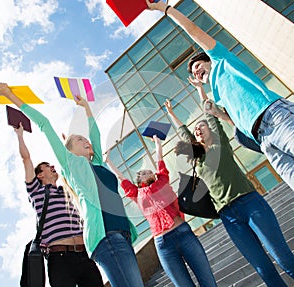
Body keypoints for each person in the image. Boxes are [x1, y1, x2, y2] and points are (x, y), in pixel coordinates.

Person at [0, 83, 144, 287]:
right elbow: (44, 124)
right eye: (80, 139)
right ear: (70, 151)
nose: (87, 141)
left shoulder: (98, 163)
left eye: (86, 139)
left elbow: (96, 136)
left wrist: (86, 108)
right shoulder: (72, 165)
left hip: (122, 233)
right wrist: (10, 95)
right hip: (106, 237)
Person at [146, 0, 294, 191]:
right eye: (193, 73)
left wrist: (163, 9)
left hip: (274, 117)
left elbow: (192, 29)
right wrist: (218, 114)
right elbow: (236, 122)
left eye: (198, 66)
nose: (196, 72)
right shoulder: (217, 93)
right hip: (263, 140)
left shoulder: (222, 60)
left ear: (208, 60)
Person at [164, 83, 294, 286]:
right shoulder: (197, 158)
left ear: (211, 130)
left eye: (202, 126)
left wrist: (200, 91)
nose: (198, 129)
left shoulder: (219, 144)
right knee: (262, 268)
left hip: (249, 202)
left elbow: (209, 116)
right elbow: (184, 134)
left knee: (282, 256)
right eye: (196, 129)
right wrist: (171, 114)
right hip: (228, 216)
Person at [105, 135, 217, 287]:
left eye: (150, 171)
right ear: (139, 181)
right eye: (144, 172)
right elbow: (121, 177)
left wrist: (157, 143)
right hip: (163, 244)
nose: (149, 172)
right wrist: (109, 162)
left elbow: (160, 159)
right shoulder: (136, 194)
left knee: (207, 280)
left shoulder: (162, 180)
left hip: (183, 234)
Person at [15, 124, 103, 287]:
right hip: (59, 259)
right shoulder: (37, 192)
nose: (53, 167)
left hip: (84, 255)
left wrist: (69, 151)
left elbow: (74, 167)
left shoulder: (69, 190)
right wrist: (20, 135)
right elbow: (26, 159)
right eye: (48, 166)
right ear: (40, 174)